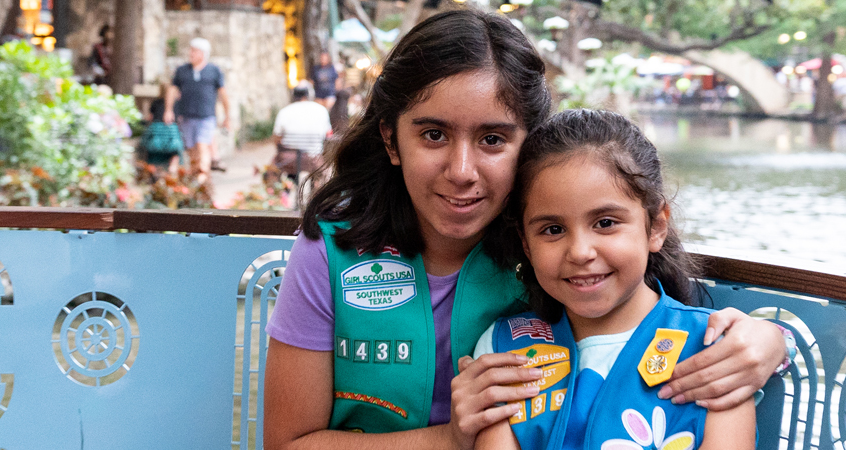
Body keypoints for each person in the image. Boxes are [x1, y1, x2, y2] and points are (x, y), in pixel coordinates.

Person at [261, 10, 789, 449]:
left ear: (530, 150)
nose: (462, 170)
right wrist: (449, 438)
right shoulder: (335, 249)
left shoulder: (551, 253)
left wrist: (768, 339)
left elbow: (658, 317)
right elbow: (287, 443)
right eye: (433, 134)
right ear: (392, 140)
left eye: (493, 139)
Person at [471, 109, 755, 450]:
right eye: (553, 229)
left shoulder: (715, 352)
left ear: (656, 227)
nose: (580, 252)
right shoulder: (505, 350)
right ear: (526, 245)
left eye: (605, 223)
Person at [164, 37, 232, 175]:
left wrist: (227, 116)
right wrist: (168, 110)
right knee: (192, 151)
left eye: (194, 51)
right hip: (187, 116)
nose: (191, 53)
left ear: (202, 53)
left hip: (206, 117)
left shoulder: (214, 71)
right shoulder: (182, 70)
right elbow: (172, 90)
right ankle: (198, 180)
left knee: (203, 146)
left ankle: (203, 177)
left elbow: (223, 94)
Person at [271, 84, 331, 181]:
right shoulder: (321, 110)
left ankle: (283, 190)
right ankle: (316, 189)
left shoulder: (284, 111)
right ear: (308, 95)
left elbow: (277, 138)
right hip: (313, 160)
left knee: (273, 168)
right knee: (321, 174)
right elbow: (327, 135)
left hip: (288, 160)